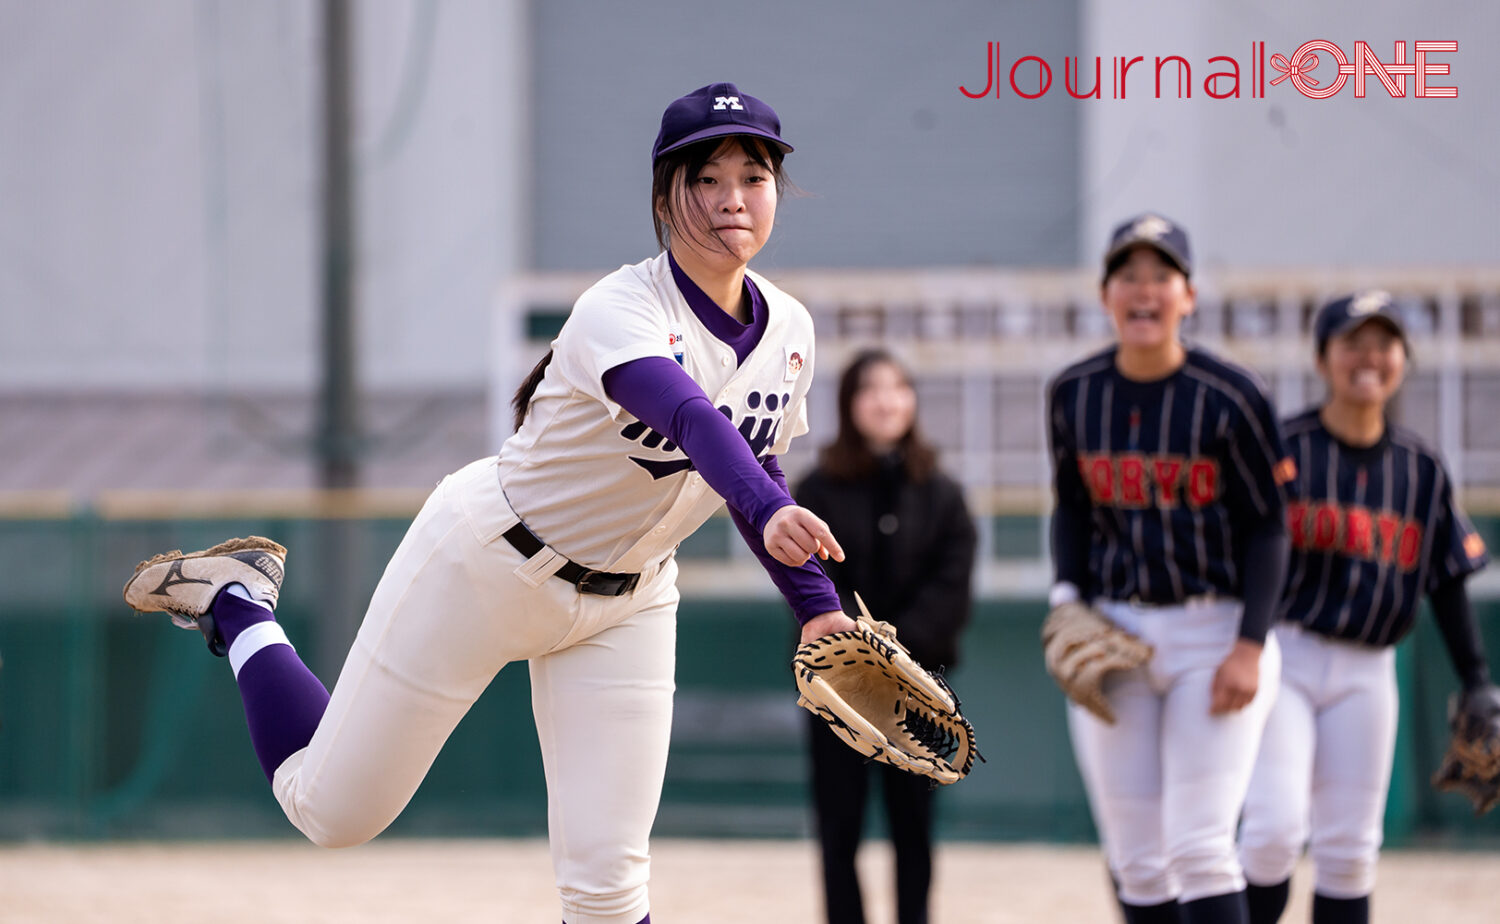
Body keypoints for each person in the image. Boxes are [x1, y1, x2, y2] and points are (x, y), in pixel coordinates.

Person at [122, 82, 860, 924]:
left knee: (609, 887)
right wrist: (766, 510)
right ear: (665, 196)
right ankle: (238, 603)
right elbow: (693, 419)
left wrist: (816, 606)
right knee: (332, 813)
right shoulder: (620, 309)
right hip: (489, 564)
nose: (733, 198)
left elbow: (757, 460)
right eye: (707, 178)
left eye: (754, 177)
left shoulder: (789, 330)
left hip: (630, 601)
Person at [1044, 213, 1296, 924]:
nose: (1144, 290)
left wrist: (1250, 644)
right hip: (1114, 630)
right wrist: (1067, 598)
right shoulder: (1074, 392)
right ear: (1105, 296)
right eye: (1128, 276)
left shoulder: (1232, 393)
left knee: (1200, 847)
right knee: (1136, 857)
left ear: (1189, 296)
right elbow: (1071, 509)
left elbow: (1270, 527)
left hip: (1213, 630)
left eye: (1162, 276)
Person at [1237, 292, 1495, 924]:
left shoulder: (1421, 467)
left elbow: (1447, 581)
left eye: (1384, 344)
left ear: (1403, 360)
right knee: (1272, 831)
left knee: (1350, 851)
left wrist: (1477, 680)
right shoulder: (1283, 449)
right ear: (1322, 358)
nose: (1369, 358)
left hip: (1369, 670)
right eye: (1353, 343)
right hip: (1284, 657)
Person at [793, 348, 978, 924]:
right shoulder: (816, 490)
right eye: (870, 389)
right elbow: (811, 583)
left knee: (914, 830)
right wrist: (861, 656)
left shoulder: (943, 494)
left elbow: (952, 588)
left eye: (897, 388)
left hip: (919, 695)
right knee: (838, 828)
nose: (885, 401)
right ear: (849, 403)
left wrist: (898, 657)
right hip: (839, 691)